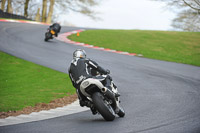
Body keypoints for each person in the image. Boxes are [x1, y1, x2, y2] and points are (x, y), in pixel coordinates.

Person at [68, 49, 119, 113]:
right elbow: (97, 67)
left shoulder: (70, 68)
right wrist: (105, 71)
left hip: (80, 87)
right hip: (89, 79)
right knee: (107, 77)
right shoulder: (86, 60)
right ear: (82, 55)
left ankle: (91, 105)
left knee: (82, 101)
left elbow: (73, 83)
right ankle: (108, 91)